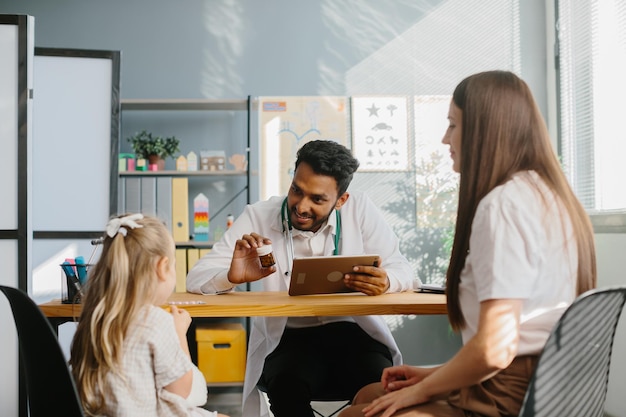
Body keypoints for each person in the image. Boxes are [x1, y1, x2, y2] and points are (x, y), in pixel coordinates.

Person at [338, 70, 597, 417]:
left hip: (507, 398)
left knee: (357, 413)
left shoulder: (503, 205)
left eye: (453, 125)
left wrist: (422, 391)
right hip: (549, 385)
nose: (446, 139)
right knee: (369, 393)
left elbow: (496, 348)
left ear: (483, 131)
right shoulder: (550, 196)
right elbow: (517, 340)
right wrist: (432, 376)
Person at [187, 139, 414, 417]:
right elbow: (195, 278)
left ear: (341, 200)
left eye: (317, 199)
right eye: (297, 190)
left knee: (384, 395)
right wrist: (230, 276)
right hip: (288, 338)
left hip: (354, 333)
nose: (301, 206)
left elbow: (403, 270)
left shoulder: (361, 211)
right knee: (287, 390)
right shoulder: (258, 216)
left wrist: (387, 280)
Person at [69, 213, 229, 417]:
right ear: (162, 268)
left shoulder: (95, 316)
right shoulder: (155, 321)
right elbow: (182, 391)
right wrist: (178, 333)